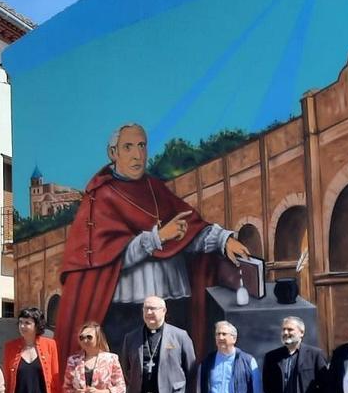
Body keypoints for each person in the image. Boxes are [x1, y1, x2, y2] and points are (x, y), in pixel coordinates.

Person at [54, 123, 251, 360]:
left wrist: (223, 240)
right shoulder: (101, 197)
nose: (137, 154)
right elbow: (108, 258)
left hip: (174, 304)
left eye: (142, 146)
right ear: (113, 153)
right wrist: (159, 238)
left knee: (175, 371)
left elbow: (188, 230)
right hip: (127, 310)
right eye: (128, 147)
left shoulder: (155, 188)